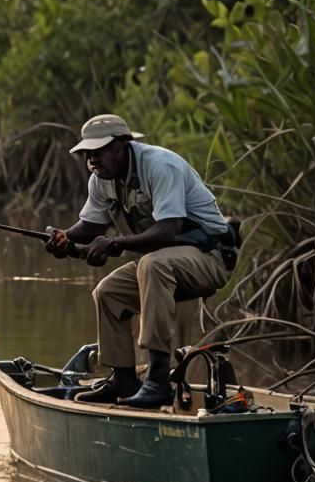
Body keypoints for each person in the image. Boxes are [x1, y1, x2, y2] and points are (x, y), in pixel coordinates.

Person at [46, 114, 239, 409]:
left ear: (123, 145)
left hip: (209, 258)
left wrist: (114, 243)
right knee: (108, 292)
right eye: (88, 153)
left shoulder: (161, 166)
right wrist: (65, 239)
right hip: (163, 262)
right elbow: (91, 226)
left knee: (153, 265)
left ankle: (158, 381)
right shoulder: (101, 180)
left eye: (99, 151)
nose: (93, 159)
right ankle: (123, 379)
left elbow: (168, 228)